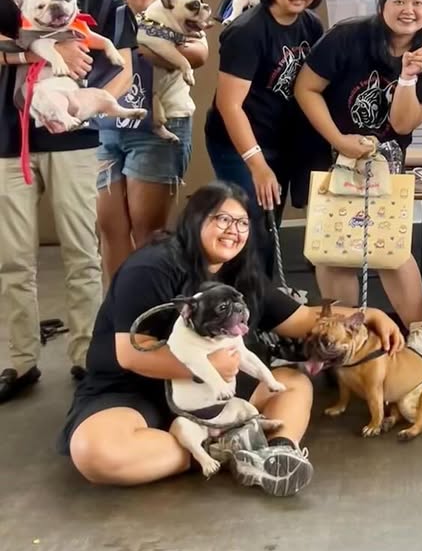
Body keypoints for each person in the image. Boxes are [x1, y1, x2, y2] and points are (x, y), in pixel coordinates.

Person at [60, 181, 404, 494]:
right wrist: (207, 366)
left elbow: (302, 320)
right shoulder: (151, 267)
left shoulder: (242, 274)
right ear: (194, 220)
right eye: (222, 219)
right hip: (136, 388)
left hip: (217, 393)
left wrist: (370, 314)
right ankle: (228, 449)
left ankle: (277, 455)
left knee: (294, 384)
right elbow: (131, 354)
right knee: (95, 452)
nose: (233, 230)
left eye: (242, 223)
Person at [0, 0, 135, 405]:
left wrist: (86, 106)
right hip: (10, 140)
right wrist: (46, 50)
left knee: (82, 252)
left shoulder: (108, 3)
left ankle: (86, 355)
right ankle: (20, 359)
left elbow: (123, 70)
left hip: (76, 140)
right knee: (13, 258)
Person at [295, 0, 422, 361]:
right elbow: (306, 88)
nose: (408, 10)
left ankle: (419, 331)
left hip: (386, 159)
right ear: (382, 5)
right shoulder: (348, 37)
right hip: (333, 152)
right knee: (333, 248)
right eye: (399, 1)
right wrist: (338, 139)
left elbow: (403, 124)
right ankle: (346, 337)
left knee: (392, 246)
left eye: (418, 3)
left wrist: (408, 77)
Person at [204, 0, 327, 273]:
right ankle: (234, 300)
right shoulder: (247, 32)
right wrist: (257, 164)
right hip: (239, 143)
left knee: (269, 227)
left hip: (280, 141)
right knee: (247, 226)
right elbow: (229, 105)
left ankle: (260, 298)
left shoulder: (311, 25)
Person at [96, 0, 208, 282]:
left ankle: (148, 306)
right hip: (109, 126)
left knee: (149, 232)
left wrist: (137, 46)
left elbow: (198, 54)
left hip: (160, 127)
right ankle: (117, 306)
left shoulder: (181, 15)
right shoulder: (109, 15)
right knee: (110, 228)